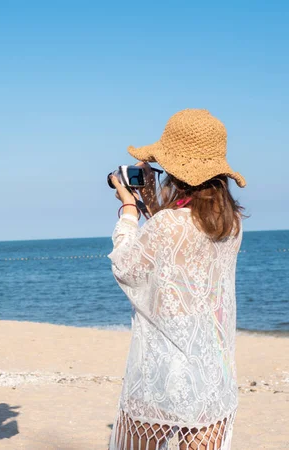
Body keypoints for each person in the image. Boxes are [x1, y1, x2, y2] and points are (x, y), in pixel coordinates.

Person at [108, 109, 246, 450]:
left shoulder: (167, 225)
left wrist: (129, 209)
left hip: (164, 369)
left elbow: (126, 267)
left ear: (173, 170)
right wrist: (155, 208)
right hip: (212, 374)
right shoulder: (230, 225)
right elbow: (181, 253)